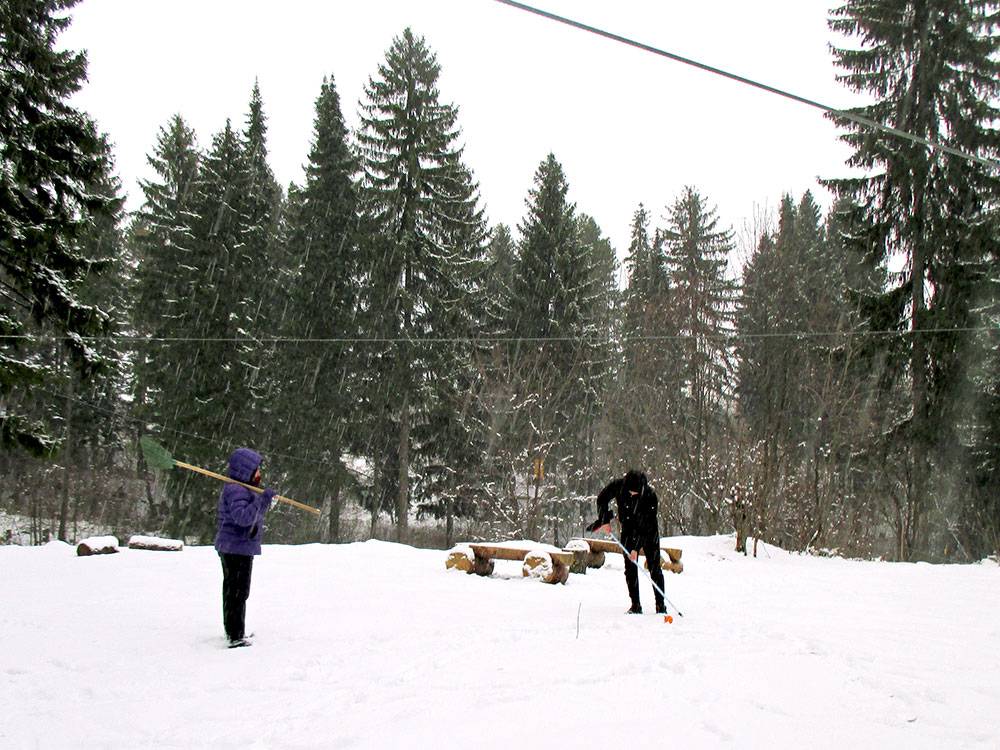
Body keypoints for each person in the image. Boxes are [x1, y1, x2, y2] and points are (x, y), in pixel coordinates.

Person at [214, 447, 276, 648]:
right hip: (235, 548)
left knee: (238, 591)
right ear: (245, 470)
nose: (259, 474)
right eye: (256, 470)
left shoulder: (243, 489)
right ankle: (234, 635)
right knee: (237, 592)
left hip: (239, 547)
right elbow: (243, 518)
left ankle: (235, 630)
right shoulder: (235, 490)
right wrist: (262, 501)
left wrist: (261, 501)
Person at [587, 469, 666, 615]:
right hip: (628, 529)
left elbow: (645, 524)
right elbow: (602, 498)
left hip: (648, 532)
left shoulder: (650, 496)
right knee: (630, 568)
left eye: (634, 493)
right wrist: (604, 520)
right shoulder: (619, 486)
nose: (631, 495)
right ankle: (635, 605)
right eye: (629, 492)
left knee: (654, 567)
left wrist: (635, 548)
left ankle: (660, 605)